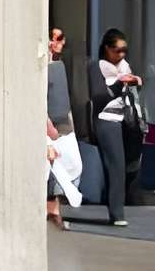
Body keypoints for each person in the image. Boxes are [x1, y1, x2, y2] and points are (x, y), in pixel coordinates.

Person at [91, 29, 142, 227]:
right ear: (106, 48)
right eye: (116, 50)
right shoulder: (98, 67)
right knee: (116, 165)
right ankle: (117, 213)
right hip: (107, 119)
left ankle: (119, 205)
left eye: (124, 50)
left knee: (129, 164)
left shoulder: (125, 67)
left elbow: (136, 88)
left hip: (126, 120)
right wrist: (120, 84)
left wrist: (135, 81)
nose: (121, 55)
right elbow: (99, 96)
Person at [46, 25, 82, 229]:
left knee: (71, 164)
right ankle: (51, 210)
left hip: (64, 121)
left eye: (60, 39)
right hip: (50, 123)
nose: (56, 43)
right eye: (53, 38)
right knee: (52, 166)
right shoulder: (43, 64)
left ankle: (55, 209)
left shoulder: (59, 64)